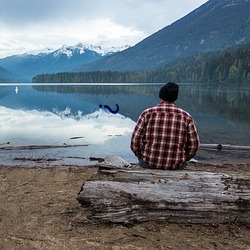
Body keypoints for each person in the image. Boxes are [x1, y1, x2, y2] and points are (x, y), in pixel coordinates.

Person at [130, 82, 200, 170]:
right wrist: (184, 158)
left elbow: (135, 142)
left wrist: (141, 156)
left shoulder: (147, 114)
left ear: (160, 96)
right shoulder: (186, 116)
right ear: (175, 98)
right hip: (176, 165)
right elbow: (194, 145)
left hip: (149, 162)